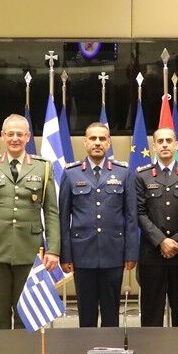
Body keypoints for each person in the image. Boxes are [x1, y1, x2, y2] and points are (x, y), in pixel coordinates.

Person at [0, 114, 60, 330]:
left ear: (28, 137)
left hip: (29, 250)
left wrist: (53, 250)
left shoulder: (43, 167)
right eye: (10, 134)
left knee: (25, 314)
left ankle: (23, 352)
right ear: (3, 136)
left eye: (20, 134)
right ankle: (0, 352)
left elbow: (51, 212)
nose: (15, 138)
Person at [60, 123, 139, 327]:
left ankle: (110, 347)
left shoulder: (123, 172)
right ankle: (88, 345)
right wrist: (65, 255)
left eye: (102, 139)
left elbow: (131, 216)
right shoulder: (71, 173)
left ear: (109, 143)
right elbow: (63, 218)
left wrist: (131, 253)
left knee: (111, 313)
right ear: (85, 142)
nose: (97, 143)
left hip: (113, 253)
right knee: (86, 314)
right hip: (82, 254)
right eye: (93, 138)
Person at [135, 128, 178, 327]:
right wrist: (161, 241)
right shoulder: (142, 175)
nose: (164, 144)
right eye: (160, 141)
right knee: (151, 314)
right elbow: (139, 213)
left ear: (176, 145)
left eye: (169, 141)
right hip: (152, 253)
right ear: (154, 146)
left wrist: (176, 240)